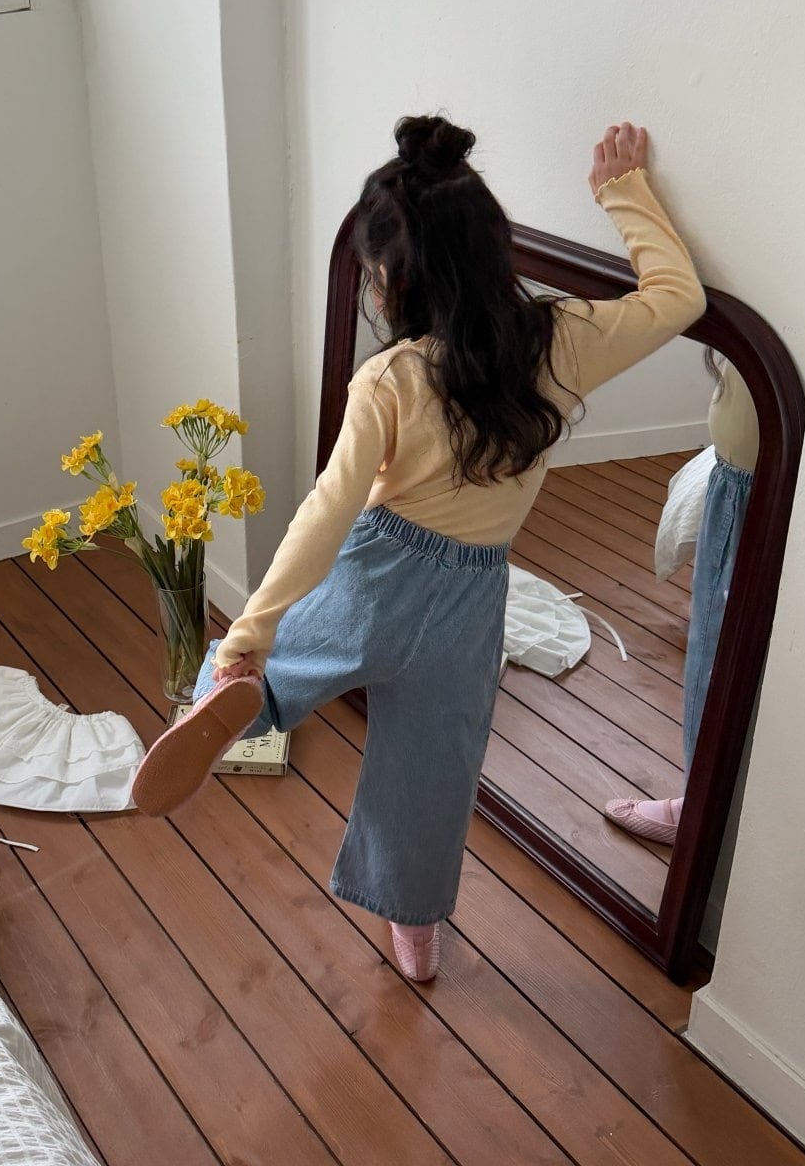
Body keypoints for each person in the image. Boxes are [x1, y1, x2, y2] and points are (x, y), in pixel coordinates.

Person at [131, 117, 705, 981]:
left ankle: (231, 695)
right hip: (475, 596)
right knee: (433, 765)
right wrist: (623, 192)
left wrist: (250, 631)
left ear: (394, 281)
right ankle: (414, 920)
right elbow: (678, 298)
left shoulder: (391, 379)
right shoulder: (562, 342)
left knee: (291, 655)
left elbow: (326, 514)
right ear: (492, 251)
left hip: (380, 569)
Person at [603, 360, 757, 843]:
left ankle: (703, 810)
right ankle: (714, 804)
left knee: (719, 655)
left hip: (752, 482)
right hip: (746, 475)